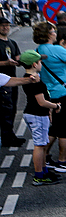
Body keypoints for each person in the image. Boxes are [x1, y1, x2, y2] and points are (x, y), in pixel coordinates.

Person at [33, 21, 66, 174]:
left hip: (51, 93)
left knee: (55, 128)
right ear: (50, 34)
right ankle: (62, 161)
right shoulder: (56, 49)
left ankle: (46, 156)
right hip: (65, 93)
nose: (55, 33)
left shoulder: (39, 49)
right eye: (53, 31)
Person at [18, 52, 59, 185]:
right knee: (39, 145)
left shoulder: (31, 78)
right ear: (35, 64)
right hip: (37, 115)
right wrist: (55, 106)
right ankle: (39, 175)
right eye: (40, 62)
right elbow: (41, 102)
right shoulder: (34, 80)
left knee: (41, 143)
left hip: (36, 114)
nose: (41, 64)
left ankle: (44, 171)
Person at [0, 16, 25, 147]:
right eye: (3, 25)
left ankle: (10, 134)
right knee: (5, 111)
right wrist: (5, 63)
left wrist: (24, 60)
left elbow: (18, 58)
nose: (5, 27)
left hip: (13, 80)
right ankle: (6, 137)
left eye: (7, 25)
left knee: (12, 109)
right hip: (2, 83)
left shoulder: (12, 43)